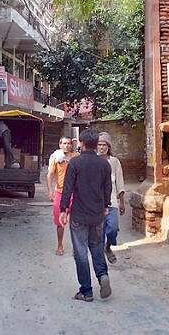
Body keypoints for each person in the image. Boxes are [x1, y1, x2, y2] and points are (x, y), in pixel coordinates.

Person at [59, 129, 112, 302]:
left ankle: (86, 291)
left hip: (79, 215)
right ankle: (102, 275)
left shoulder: (75, 163)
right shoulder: (105, 165)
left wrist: (63, 210)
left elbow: (67, 188)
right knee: (96, 247)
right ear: (96, 144)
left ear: (81, 143)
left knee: (80, 253)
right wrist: (105, 206)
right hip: (97, 214)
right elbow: (107, 189)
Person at [97, 132, 126, 264]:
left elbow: (119, 182)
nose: (102, 147)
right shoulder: (94, 161)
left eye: (104, 145)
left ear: (109, 147)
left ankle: (108, 246)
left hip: (112, 201)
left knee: (113, 228)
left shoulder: (114, 162)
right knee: (100, 231)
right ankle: (102, 261)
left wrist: (122, 202)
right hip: (96, 203)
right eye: (99, 145)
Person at [46, 136, 75, 256]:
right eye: (64, 143)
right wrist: (50, 191)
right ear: (60, 144)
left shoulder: (76, 157)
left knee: (76, 222)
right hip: (60, 192)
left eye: (69, 143)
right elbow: (50, 175)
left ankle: (76, 247)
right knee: (60, 222)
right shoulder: (55, 157)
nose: (67, 145)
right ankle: (60, 245)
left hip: (75, 192)